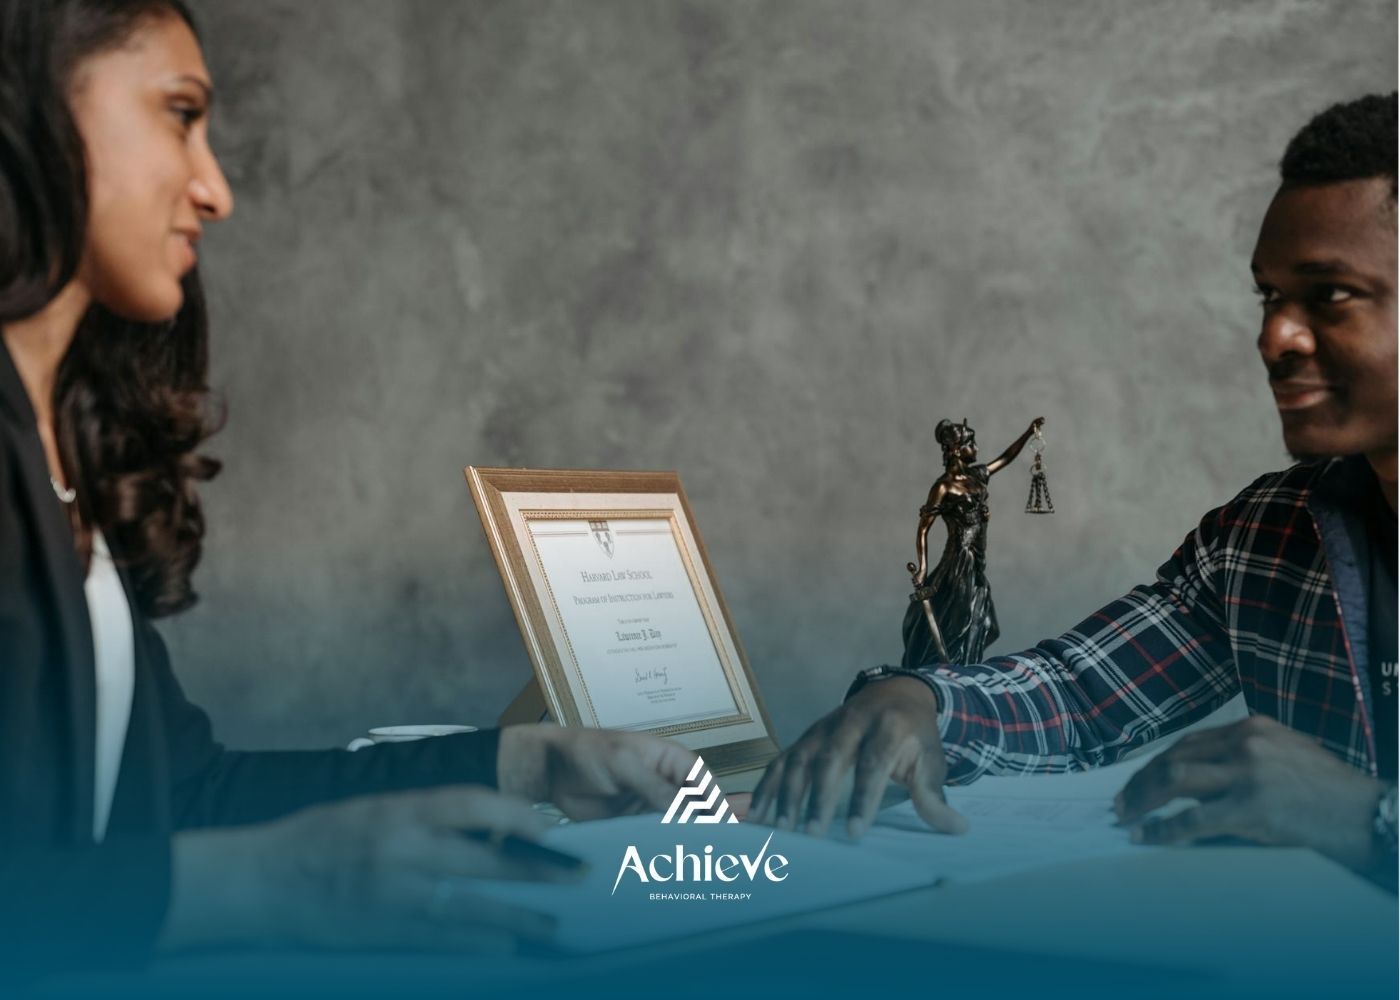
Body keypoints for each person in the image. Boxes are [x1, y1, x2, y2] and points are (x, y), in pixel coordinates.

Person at [0, 0, 699, 979]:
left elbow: (184, 799)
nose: (216, 188)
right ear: (29, 100)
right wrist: (270, 885)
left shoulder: (60, 464)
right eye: (178, 113)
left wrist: (526, 764)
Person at [751, 92, 1399, 887]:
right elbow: (1083, 692)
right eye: (1269, 297)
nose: (1274, 337)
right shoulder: (1265, 534)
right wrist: (918, 703)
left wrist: (1368, 821)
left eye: (1329, 295)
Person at [902, 416, 1044, 668]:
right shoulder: (944, 487)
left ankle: (965, 667)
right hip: (960, 559)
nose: (976, 448)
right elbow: (923, 528)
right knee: (962, 619)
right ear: (956, 449)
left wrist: (1027, 433)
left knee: (983, 624)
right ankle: (952, 670)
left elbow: (1005, 458)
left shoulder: (976, 475)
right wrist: (923, 567)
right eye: (972, 442)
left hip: (979, 557)